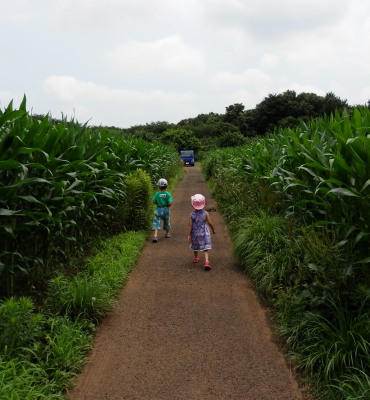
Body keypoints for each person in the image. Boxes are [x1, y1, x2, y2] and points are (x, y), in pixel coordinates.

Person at [187, 193, 216, 270]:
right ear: (203, 203)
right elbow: (210, 223)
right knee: (205, 248)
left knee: (195, 246)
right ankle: (206, 262)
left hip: (195, 233)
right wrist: (213, 229)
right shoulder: (205, 213)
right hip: (204, 233)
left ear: (193, 204)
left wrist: (189, 234)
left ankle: (196, 258)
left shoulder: (191, 214)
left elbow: (190, 226)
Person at [151, 178, 173, 243]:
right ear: (166, 186)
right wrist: (167, 205)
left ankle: (155, 235)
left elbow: (153, 201)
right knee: (167, 222)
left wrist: (158, 202)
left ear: (159, 186)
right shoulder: (168, 194)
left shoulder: (157, 194)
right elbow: (170, 203)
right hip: (166, 210)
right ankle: (167, 233)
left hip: (158, 210)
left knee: (156, 222)